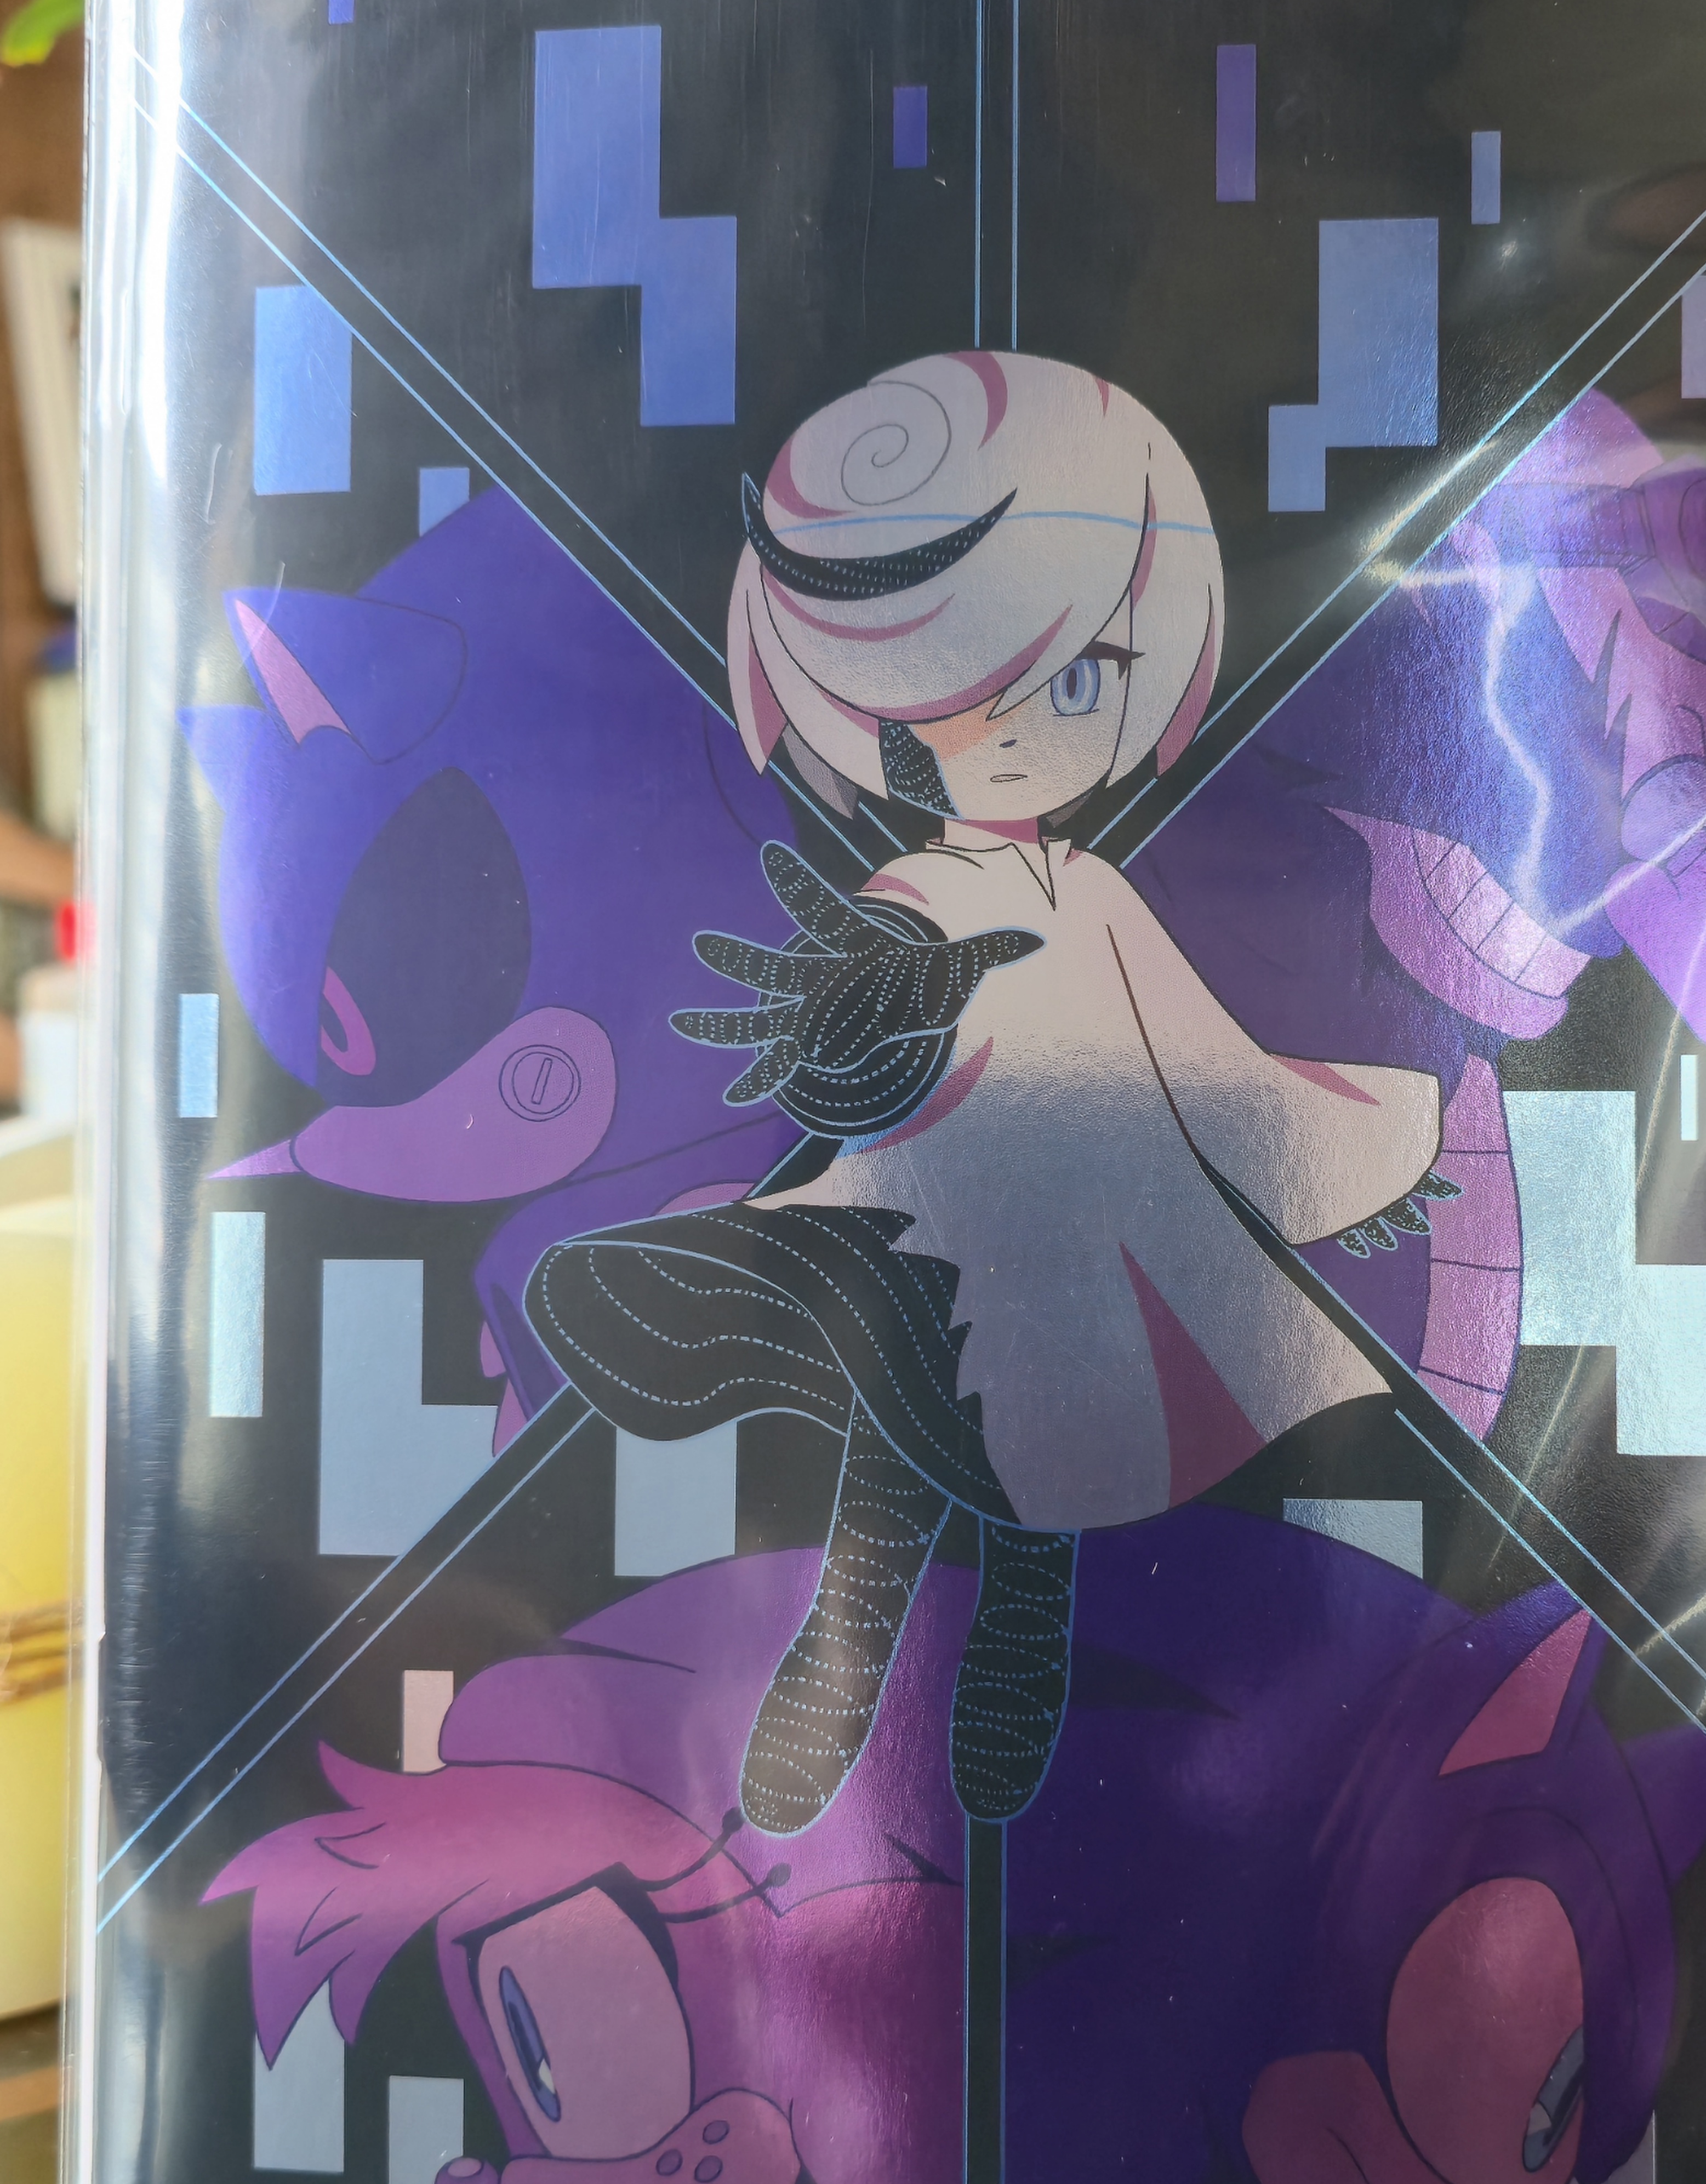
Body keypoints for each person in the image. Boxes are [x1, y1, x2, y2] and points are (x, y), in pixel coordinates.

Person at [532, 350, 1447, 1835]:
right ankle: (838, 1685)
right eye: (942, 697)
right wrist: (876, 1028)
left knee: (1053, 1484)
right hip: (927, 1242)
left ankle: (1008, 1690)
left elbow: (1205, 1069)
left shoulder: (1099, 897)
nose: (1011, 732)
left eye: (1077, 675)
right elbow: (859, 1064)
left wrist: (1343, 1152)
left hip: (1090, 1255)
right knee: (888, 1486)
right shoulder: (913, 896)